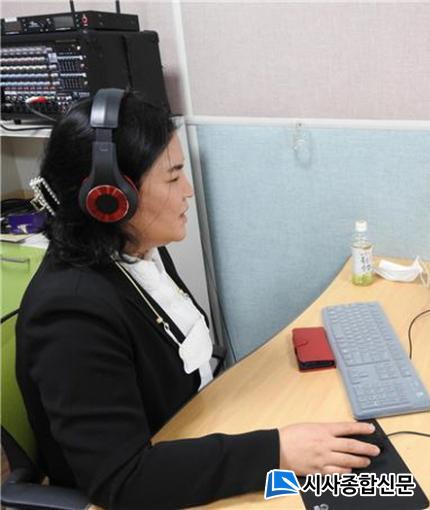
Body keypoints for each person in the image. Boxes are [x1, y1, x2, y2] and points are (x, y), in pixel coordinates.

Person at [16, 90, 379, 509]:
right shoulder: (71, 314)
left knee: (369, 485)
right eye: (173, 178)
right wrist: (276, 451)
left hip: (194, 441)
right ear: (112, 199)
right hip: (149, 488)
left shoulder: (139, 252)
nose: (187, 190)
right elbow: (123, 480)